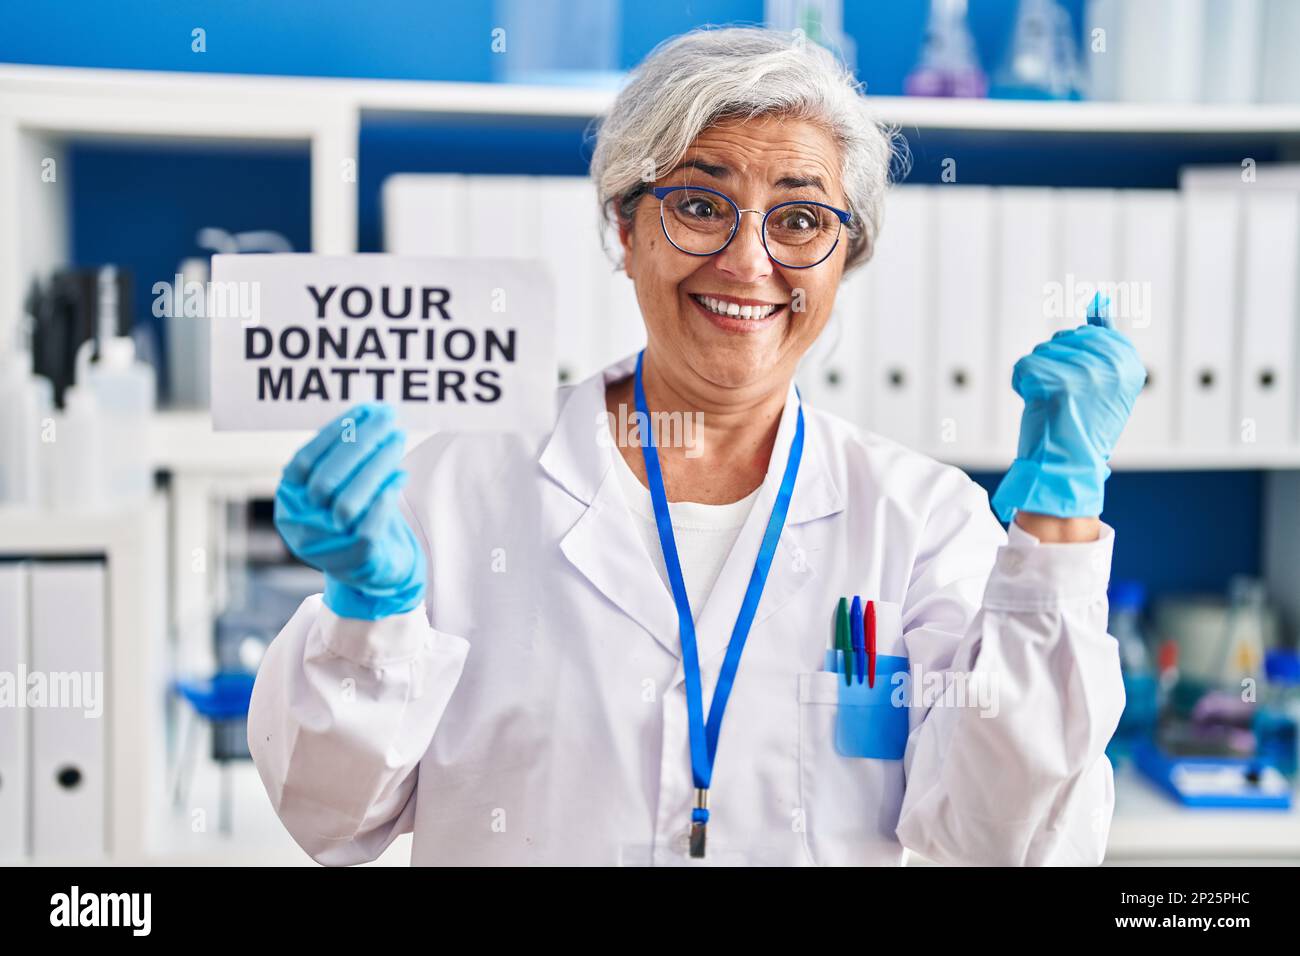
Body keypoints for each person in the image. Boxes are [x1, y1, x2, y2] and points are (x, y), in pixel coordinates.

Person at [249, 26, 1146, 866]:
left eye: (799, 220)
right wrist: (368, 615)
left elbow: (1010, 839)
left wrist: (1057, 527)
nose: (748, 262)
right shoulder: (455, 489)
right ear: (626, 228)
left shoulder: (920, 524)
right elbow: (331, 816)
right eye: (699, 204)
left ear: (845, 255)